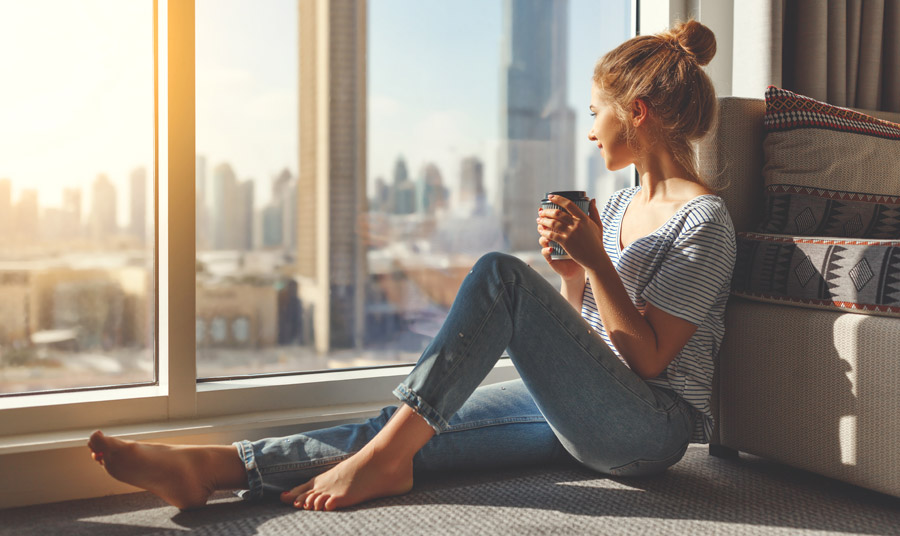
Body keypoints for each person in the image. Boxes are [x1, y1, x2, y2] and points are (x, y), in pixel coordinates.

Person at [87, 19, 735, 512]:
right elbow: (592, 342)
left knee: (499, 276)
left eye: (597, 112)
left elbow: (649, 362)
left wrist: (595, 262)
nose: (591, 129)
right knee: (409, 425)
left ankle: (379, 463)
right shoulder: (619, 204)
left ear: (637, 114)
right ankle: (215, 468)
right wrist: (573, 279)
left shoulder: (704, 221)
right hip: (591, 408)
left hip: (650, 431)